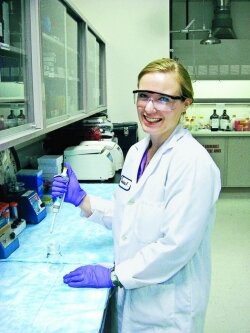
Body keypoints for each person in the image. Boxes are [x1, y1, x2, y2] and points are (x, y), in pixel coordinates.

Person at [52, 58, 221, 333]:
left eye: (164, 99)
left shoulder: (192, 163)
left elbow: (176, 245)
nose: (150, 107)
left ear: (185, 104)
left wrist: (114, 275)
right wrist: (82, 199)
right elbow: (131, 214)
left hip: (167, 308)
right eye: (143, 96)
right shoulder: (136, 152)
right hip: (135, 295)